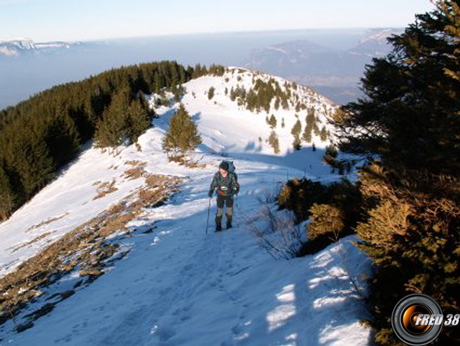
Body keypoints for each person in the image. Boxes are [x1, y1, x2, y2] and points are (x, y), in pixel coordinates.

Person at [208, 161, 240, 231]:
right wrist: (211, 191)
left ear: (225, 169)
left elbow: (235, 185)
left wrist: (234, 192)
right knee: (219, 210)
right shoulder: (217, 175)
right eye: (220, 168)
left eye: (222, 169)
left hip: (229, 195)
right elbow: (214, 184)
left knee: (229, 210)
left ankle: (229, 224)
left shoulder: (231, 176)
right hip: (220, 194)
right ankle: (218, 226)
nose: (220, 170)